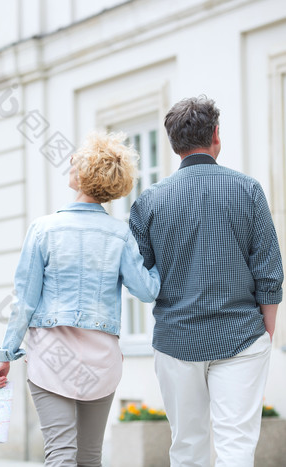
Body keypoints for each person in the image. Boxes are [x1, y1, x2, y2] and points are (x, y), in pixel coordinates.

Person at [0, 131, 161, 467]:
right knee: (90, 457)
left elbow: (24, 301)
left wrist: (5, 354)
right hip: (102, 358)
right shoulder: (120, 234)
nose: (70, 166)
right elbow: (146, 290)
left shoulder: (43, 230)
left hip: (50, 356)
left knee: (60, 454)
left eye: (74, 162)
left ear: (83, 174)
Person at [129, 95, 283, 467]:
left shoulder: (149, 201)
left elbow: (140, 277)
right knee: (236, 446)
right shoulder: (248, 190)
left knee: (187, 447)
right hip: (241, 336)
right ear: (216, 134)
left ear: (172, 143)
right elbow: (269, 272)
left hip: (176, 338)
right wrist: (266, 332)